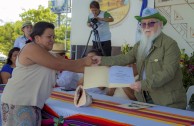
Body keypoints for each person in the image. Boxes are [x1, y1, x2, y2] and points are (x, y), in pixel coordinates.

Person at [92, 8, 186, 109]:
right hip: (144, 98)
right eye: (143, 24)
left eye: (151, 23)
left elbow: (168, 72)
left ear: (160, 24)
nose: (146, 27)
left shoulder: (170, 44)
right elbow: (125, 58)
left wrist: (143, 84)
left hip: (167, 101)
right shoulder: (140, 45)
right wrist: (102, 60)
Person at [1, 21, 92, 126]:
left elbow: (71, 65)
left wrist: (96, 64)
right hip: (18, 102)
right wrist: (85, 61)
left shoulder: (50, 55)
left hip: (31, 104)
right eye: (49, 37)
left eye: (53, 37)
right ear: (37, 38)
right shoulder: (31, 48)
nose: (52, 40)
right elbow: (58, 64)